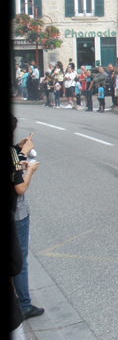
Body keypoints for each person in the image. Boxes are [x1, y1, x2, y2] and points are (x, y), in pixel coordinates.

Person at [10, 119, 44, 321]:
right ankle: (24, 304)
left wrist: (19, 150)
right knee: (20, 258)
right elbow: (20, 187)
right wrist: (29, 169)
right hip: (17, 212)